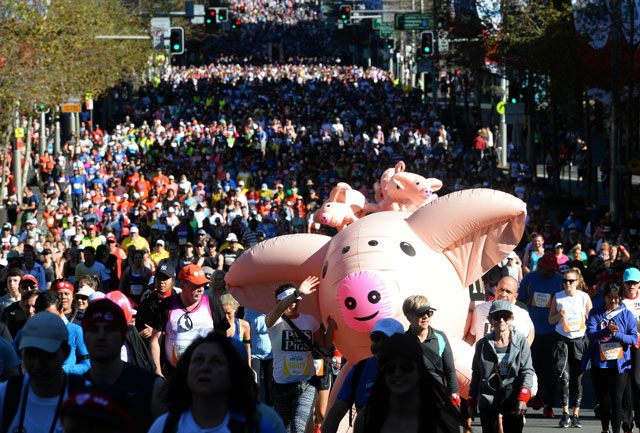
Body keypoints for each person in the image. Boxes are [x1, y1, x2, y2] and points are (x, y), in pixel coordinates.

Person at [147, 332, 281, 432]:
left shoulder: (260, 425)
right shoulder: (164, 426)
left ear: (233, 374)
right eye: (198, 360)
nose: (205, 367)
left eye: (216, 361)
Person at [81, 298, 165, 433]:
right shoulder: (75, 390)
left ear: (123, 336)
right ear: (84, 336)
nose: (101, 336)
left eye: (109, 329)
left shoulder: (152, 387)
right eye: (94, 329)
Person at [266, 277, 336, 433]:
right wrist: (297, 293)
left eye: (296, 301)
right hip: (281, 386)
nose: (293, 304)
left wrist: (331, 327)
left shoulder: (310, 320)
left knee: (299, 426)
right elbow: (276, 312)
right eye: (289, 301)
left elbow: (324, 345)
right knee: (285, 429)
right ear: (278, 302)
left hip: (306, 384)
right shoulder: (273, 322)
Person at [356, 333, 464, 433]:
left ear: (420, 371)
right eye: (390, 369)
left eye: (406, 367)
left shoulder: (444, 422)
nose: (397, 373)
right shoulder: (366, 419)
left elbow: (450, 371)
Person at [0, 312, 86, 433]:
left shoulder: (87, 397)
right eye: (31, 355)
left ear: (65, 352)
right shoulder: (6, 395)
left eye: (47, 355)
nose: (38, 363)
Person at [323, 318, 405, 433]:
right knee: (364, 416)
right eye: (376, 337)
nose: (380, 343)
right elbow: (336, 412)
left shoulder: (410, 370)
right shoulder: (360, 369)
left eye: (386, 339)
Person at [149, 264, 227, 379]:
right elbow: (155, 340)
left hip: (205, 373)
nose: (201, 289)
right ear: (182, 285)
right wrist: (157, 370)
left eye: (203, 285)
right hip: (174, 374)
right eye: (196, 285)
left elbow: (223, 338)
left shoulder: (212, 304)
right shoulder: (167, 305)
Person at [468, 300, 534, 433]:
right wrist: (472, 402)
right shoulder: (482, 345)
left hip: (512, 395)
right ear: (490, 320)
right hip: (489, 397)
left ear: (511, 318)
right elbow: (476, 374)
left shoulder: (521, 341)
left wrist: (523, 399)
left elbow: (527, 370)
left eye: (506, 316)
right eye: (497, 317)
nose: (501, 320)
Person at [584, 280, 637, 433]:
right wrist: (606, 331)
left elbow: (634, 339)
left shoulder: (627, 314)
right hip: (600, 363)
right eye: (610, 297)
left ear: (620, 297)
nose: (613, 301)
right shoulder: (595, 313)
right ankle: (604, 428)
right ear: (604, 297)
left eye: (616, 298)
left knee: (617, 400)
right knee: (604, 401)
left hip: (620, 366)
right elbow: (591, 334)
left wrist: (617, 335)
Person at [517, 251, 563, 417]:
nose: (549, 272)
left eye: (552, 270)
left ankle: (548, 404)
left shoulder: (559, 281)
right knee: (532, 366)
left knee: (551, 370)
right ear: (540, 266)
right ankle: (536, 394)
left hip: (552, 331)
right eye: (547, 269)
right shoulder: (529, 279)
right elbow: (521, 301)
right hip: (532, 331)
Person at [548, 267, 592, 428]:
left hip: (578, 341)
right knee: (563, 378)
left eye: (571, 281)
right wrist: (559, 315)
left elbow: (591, 318)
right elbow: (550, 320)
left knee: (577, 379)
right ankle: (565, 413)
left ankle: (576, 415)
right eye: (565, 280)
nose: (567, 283)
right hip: (562, 340)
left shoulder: (584, 297)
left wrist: (591, 337)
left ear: (577, 282)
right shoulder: (558, 297)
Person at [402, 295, 459, 402]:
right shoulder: (402, 341)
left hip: (438, 400)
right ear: (408, 316)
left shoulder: (440, 337)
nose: (426, 317)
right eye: (420, 313)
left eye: (429, 313)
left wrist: (454, 395)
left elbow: (450, 370)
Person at [464, 276, 535, 346]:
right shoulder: (480, 310)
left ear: (515, 296)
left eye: (508, 292)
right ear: (495, 290)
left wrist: (522, 352)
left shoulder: (522, 315)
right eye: (501, 290)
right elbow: (472, 334)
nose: (503, 294)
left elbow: (530, 333)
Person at [620, 267, 640, 432]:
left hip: (638, 345)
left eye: (634, 283)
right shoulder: (619, 300)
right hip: (623, 346)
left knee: (637, 382)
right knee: (625, 385)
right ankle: (627, 424)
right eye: (629, 283)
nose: (631, 286)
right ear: (624, 283)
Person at [243, 308, 274, 405]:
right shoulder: (249, 311)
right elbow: (244, 328)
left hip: (271, 354)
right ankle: (255, 408)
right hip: (254, 354)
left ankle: (270, 409)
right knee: (255, 383)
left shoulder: (273, 310)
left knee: (270, 385)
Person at [220, 293, 251, 364]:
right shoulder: (216, 326)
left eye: (229, 313)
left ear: (235, 310)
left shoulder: (244, 325)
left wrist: (248, 366)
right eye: (223, 313)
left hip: (238, 365)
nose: (226, 317)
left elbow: (247, 347)